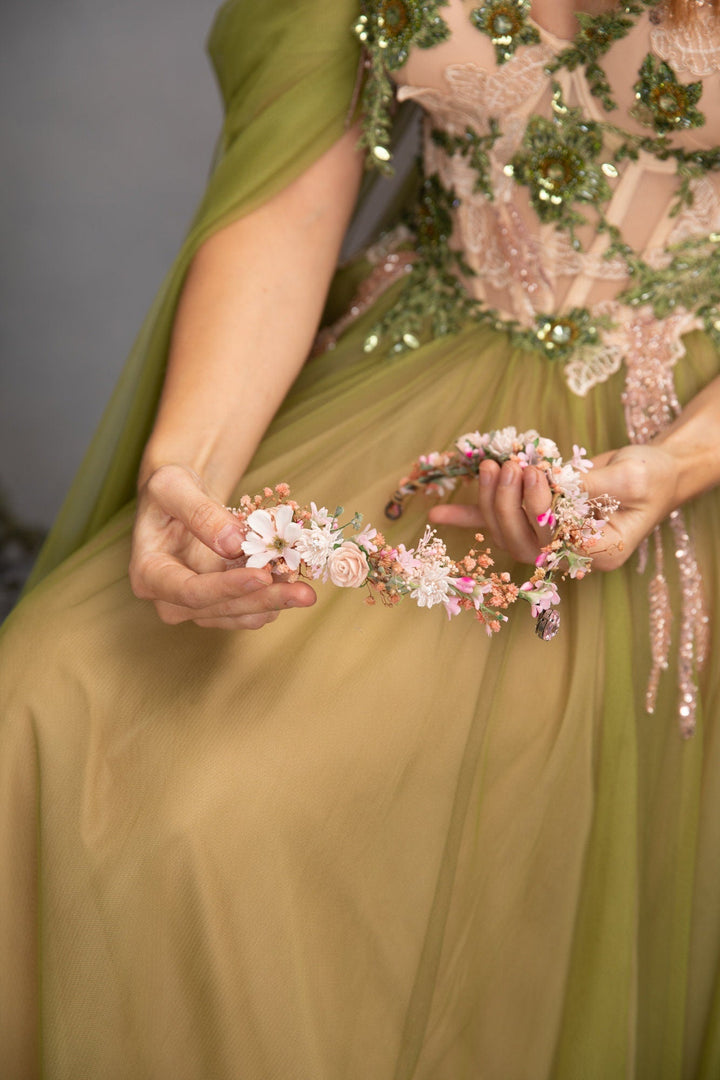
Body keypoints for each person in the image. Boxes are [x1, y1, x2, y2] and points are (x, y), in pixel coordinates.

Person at [2, 0, 720, 1076]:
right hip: (407, 374)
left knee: (248, 821)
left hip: (675, 448)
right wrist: (187, 477)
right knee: (46, 701)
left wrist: (681, 463)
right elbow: (290, 196)